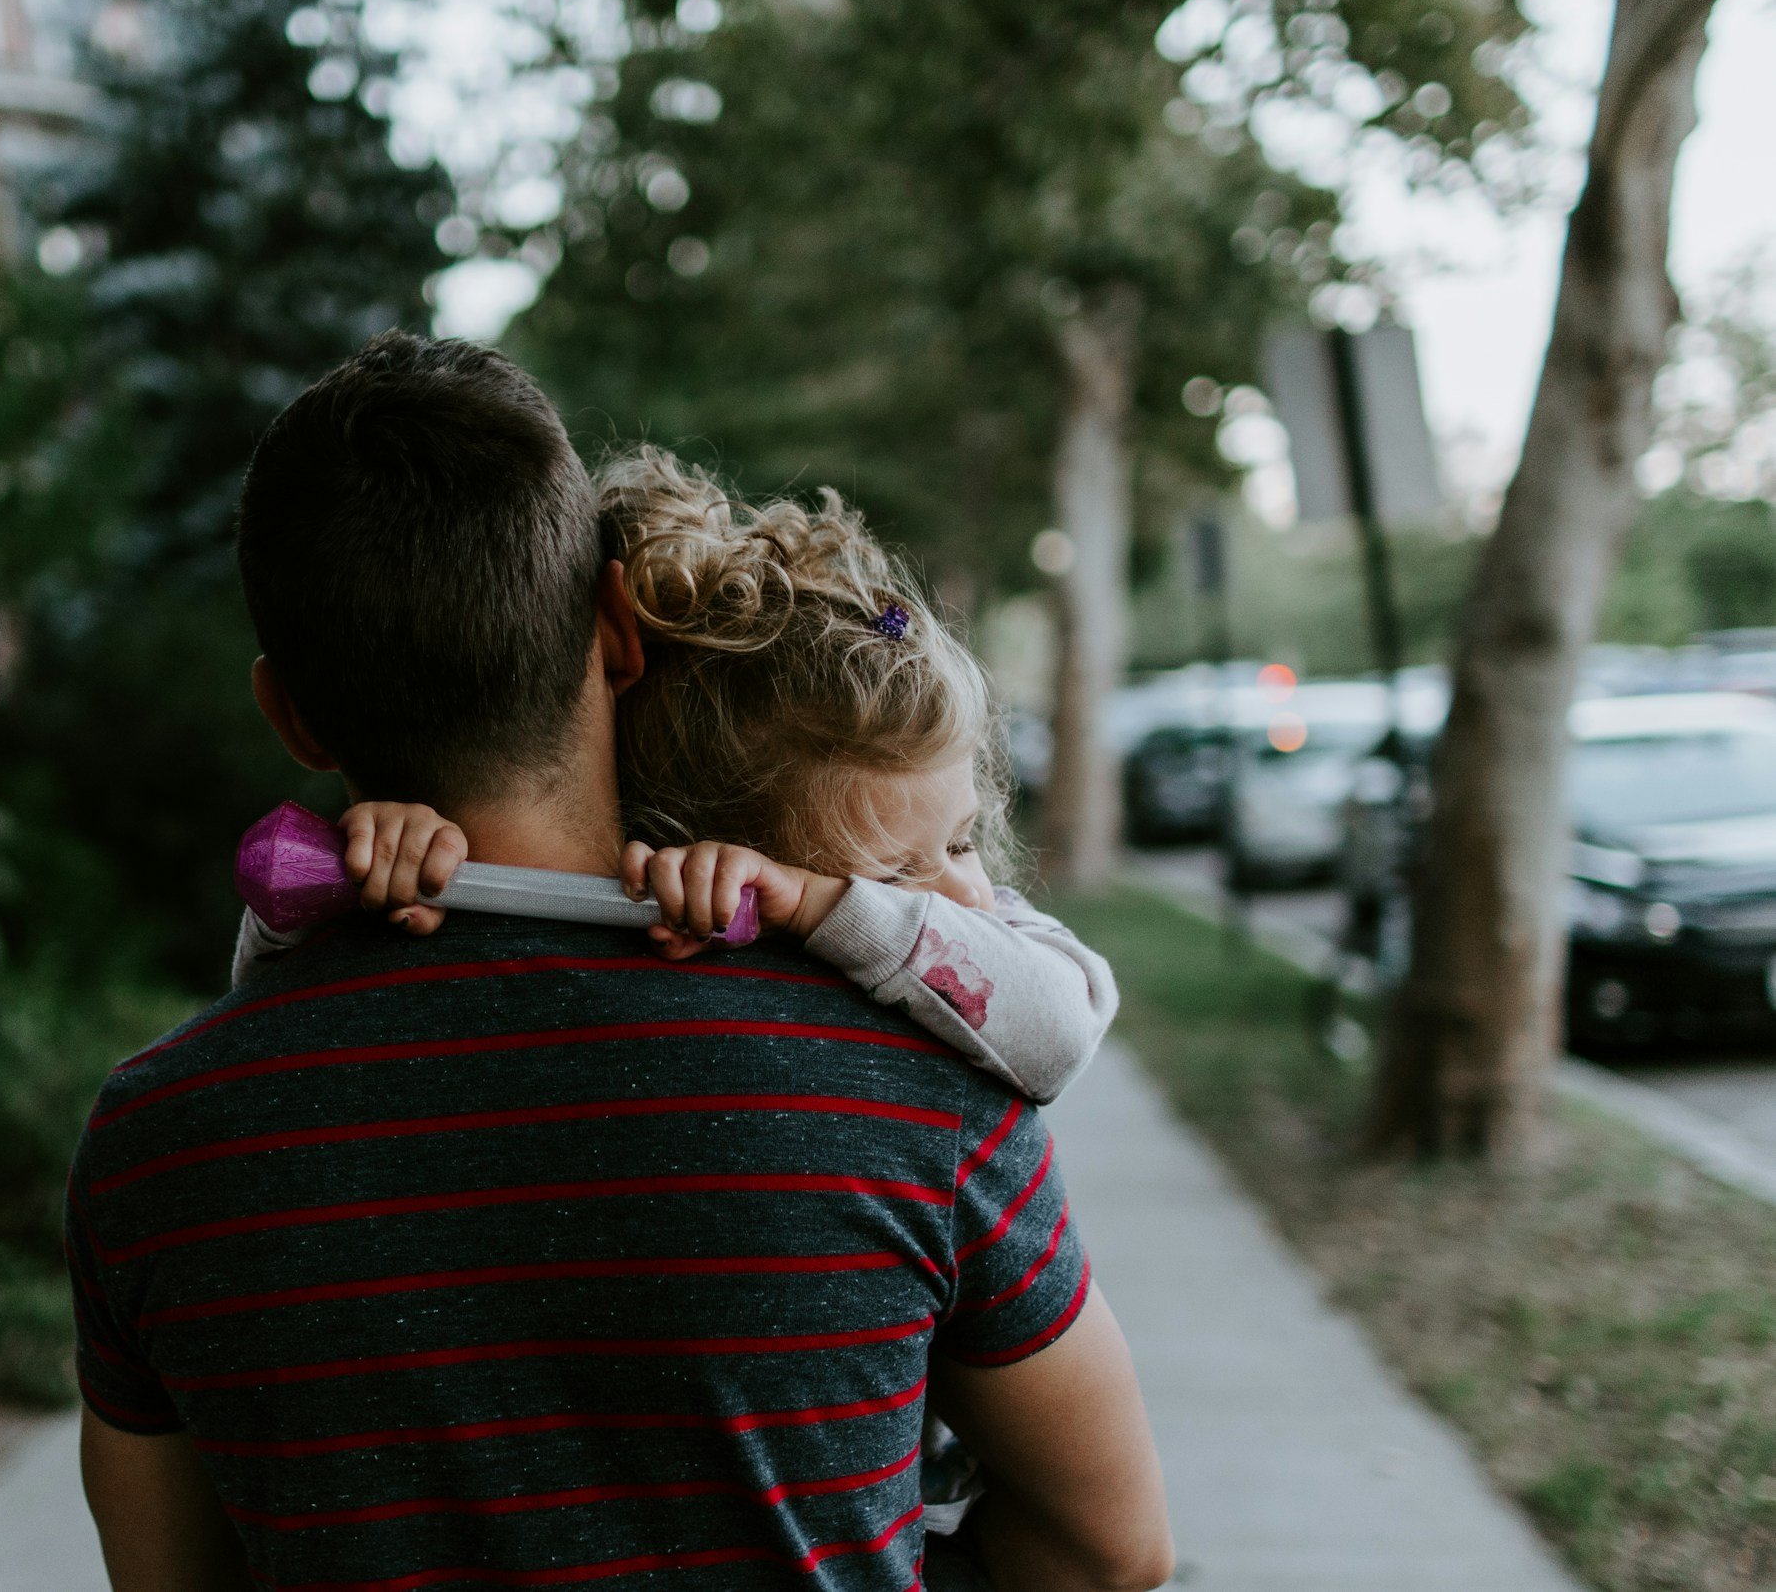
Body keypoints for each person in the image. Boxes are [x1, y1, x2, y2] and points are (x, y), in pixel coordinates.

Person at [66, 333, 1173, 1592]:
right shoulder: (913, 1070)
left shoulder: (157, 1140)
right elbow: (1107, 1548)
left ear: (291, 713)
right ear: (615, 626)